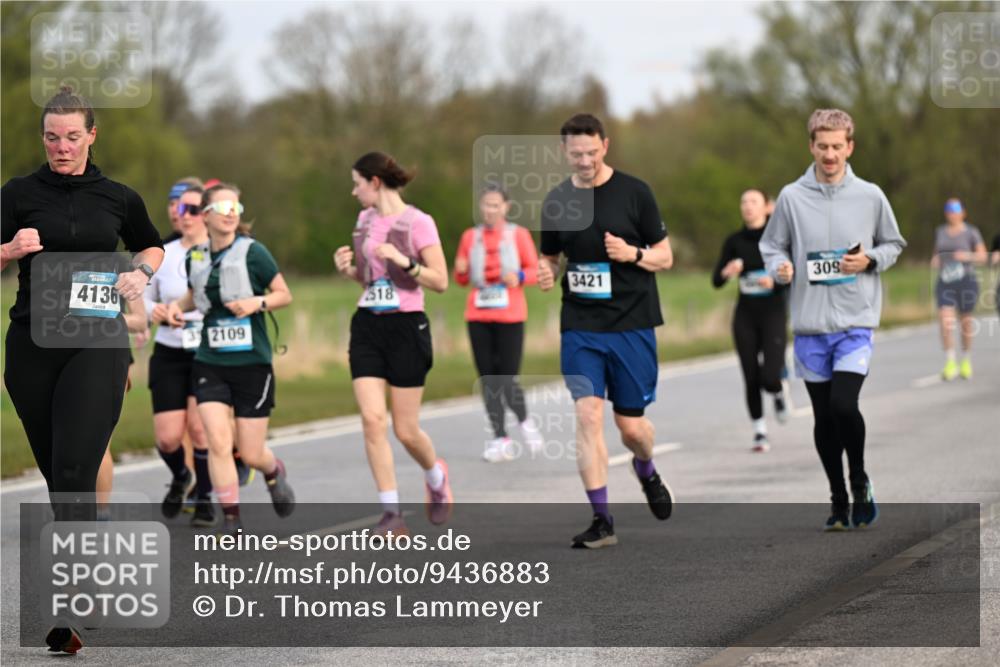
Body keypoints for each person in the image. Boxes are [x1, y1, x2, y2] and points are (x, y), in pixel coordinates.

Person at [1, 86, 164, 654]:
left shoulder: (118, 197)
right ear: (41, 137)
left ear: (92, 135)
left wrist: (141, 274)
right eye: (52, 137)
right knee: (59, 477)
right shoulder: (17, 194)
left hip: (97, 341)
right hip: (31, 348)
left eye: (72, 136)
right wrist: (9, 251)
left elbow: (151, 245)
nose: (61, 147)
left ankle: (73, 598)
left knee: (76, 461)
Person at [760, 108, 906, 532]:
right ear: (811, 146)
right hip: (809, 325)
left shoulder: (870, 195)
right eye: (822, 146)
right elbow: (772, 246)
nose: (829, 154)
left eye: (837, 146)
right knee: (824, 418)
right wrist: (780, 267)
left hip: (855, 320)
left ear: (850, 147)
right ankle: (837, 498)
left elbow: (894, 243)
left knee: (845, 404)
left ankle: (858, 479)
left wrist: (869, 260)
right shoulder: (791, 197)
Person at [537, 113, 675, 549]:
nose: (584, 160)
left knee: (631, 428)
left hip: (631, 323)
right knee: (587, 414)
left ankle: (646, 468)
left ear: (605, 146)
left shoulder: (635, 193)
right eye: (576, 154)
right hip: (580, 325)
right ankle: (602, 520)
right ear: (565, 152)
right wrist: (545, 271)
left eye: (592, 152)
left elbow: (665, 257)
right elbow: (552, 256)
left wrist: (632, 253)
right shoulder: (557, 201)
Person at [333, 152, 453, 539]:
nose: (354, 192)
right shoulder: (365, 221)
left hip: (406, 327)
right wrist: (350, 270)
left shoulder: (419, 223)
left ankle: (436, 475)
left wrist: (404, 260)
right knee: (372, 419)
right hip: (368, 325)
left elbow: (440, 281)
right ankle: (391, 513)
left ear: (376, 182)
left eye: (357, 183)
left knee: (406, 430)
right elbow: (371, 281)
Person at [166, 183, 294, 536]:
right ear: (206, 215)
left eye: (236, 206)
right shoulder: (197, 257)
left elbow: (284, 294)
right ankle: (232, 519)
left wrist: (258, 303)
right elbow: (195, 295)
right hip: (210, 361)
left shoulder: (255, 253)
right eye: (222, 206)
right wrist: (174, 309)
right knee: (219, 441)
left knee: (250, 453)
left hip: (252, 363)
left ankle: (272, 471)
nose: (230, 212)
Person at [454, 184, 544, 462]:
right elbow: (462, 279)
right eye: (485, 205)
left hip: (510, 315)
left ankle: (525, 422)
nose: (490, 210)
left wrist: (518, 275)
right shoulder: (470, 237)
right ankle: (499, 438)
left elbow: (535, 271)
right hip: (478, 315)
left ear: (506, 207)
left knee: (507, 378)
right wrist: (460, 270)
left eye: (495, 205)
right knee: (488, 379)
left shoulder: (519, 235)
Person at [144, 185, 215, 525]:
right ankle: (181, 475)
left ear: (207, 213)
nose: (183, 216)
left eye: (192, 209)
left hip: (208, 353)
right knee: (168, 437)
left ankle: (205, 499)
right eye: (179, 209)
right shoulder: (164, 253)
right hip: (170, 351)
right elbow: (140, 297)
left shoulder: (220, 252)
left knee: (200, 431)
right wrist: (155, 310)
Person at [712, 188, 789, 452]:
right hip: (745, 314)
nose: (747, 207)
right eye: (743, 202)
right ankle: (759, 432)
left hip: (773, 313)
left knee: (769, 376)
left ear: (766, 206)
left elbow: (792, 276)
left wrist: (775, 282)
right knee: (750, 375)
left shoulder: (778, 239)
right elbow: (716, 281)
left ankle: (778, 391)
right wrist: (727, 271)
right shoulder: (734, 241)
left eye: (753, 202)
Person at [931, 198, 987, 380]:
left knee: (965, 323)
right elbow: (936, 253)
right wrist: (935, 260)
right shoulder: (940, 232)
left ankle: (966, 359)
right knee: (945, 320)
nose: (952, 213)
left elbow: (982, 256)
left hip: (966, 281)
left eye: (955, 209)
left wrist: (966, 256)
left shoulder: (971, 232)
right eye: (948, 209)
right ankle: (950, 361)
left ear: (963, 212)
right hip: (945, 281)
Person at [163, 177, 203, 243]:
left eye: (181, 205)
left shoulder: (217, 245)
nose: (174, 210)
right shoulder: (163, 249)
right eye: (171, 204)